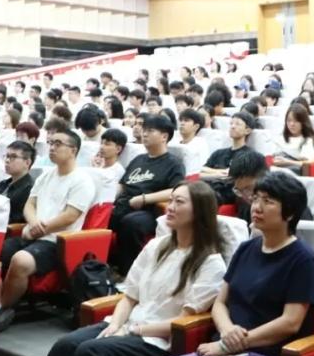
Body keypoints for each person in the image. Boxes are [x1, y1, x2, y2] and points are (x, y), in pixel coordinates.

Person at [136, 172, 314, 356]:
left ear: (290, 213)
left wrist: (231, 344)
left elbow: (290, 322)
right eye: (256, 198)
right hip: (223, 346)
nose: (257, 207)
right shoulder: (246, 249)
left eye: (268, 201)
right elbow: (220, 303)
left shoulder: (302, 259)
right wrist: (226, 331)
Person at [45, 181, 227, 356]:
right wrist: (115, 325)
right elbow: (130, 296)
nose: (169, 207)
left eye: (179, 202)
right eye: (170, 200)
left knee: (91, 353)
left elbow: (181, 321)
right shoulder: (156, 246)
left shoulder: (211, 263)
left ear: (199, 211)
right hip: (128, 324)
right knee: (63, 347)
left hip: (158, 340)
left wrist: (133, 331)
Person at [0, 130, 95, 324]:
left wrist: (41, 229)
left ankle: (3, 308)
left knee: (21, 261)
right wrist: (33, 223)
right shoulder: (45, 176)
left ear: (73, 150)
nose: (52, 148)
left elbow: (71, 216)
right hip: (34, 233)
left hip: (57, 241)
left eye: (58, 144)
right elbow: (29, 204)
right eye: (50, 143)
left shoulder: (82, 180)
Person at [110, 114, 186, 274]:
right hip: (125, 202)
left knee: (131, 223)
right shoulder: (138, 159)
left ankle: (129, 272)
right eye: (144, 130)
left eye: (150, 131)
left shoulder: (173, 163)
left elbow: (175, 190)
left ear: (164, 136)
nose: (144, 134)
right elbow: (123, 185)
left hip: (150, 209)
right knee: (103, 214)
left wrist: (144, 199)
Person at [202, 112, 255, 180]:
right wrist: (219, 173)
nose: (232, 126)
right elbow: (201, 170)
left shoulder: (250, 156)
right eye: (231, 123)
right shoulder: (218, 153)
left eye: (237, 124)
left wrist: (210, 172)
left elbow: (233, 175)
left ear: (247, 131)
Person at [0, 140, 37, 224]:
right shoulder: (2, 184)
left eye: (13, 157)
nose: (7, 160)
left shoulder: (29, 189)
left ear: (27, 162)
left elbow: (17, 220)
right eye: (7, 156)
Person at [271, 104, 314, 169]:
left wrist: (287, 162)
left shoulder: (308, 140)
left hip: (294, 171)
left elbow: (308, 164)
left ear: (303, 122)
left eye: (296, 121)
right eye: (289, 120)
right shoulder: (281, 137)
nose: (292, 124)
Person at [91, 128, 128, 203]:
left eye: (107, 144)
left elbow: (108, 194)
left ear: (118, 149)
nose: (101, 147)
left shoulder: (118, 170)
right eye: (101, 143)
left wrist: (98, 171)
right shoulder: (95, 163)